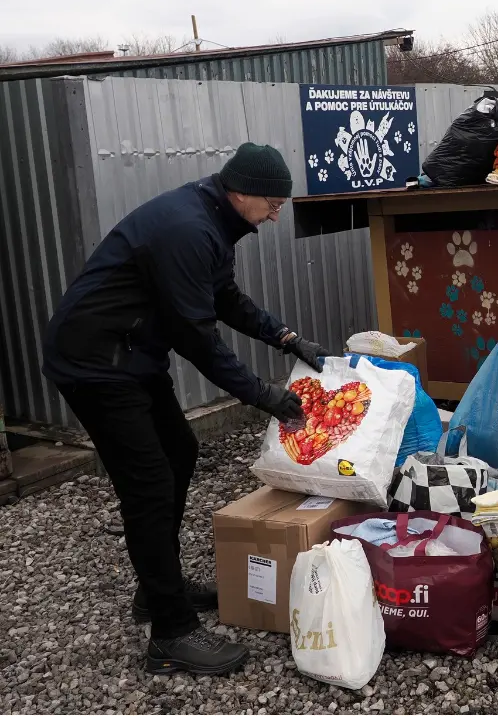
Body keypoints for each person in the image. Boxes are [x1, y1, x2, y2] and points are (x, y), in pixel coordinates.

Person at [42, 142, 334, 675]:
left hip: (130, 354)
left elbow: (225, 300)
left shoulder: (212, 221)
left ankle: (159, 590)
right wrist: (262, 395)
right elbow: (196, 337)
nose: (274, 216)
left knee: (180, 448)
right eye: (272, 204)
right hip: (95, 363)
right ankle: (170, 633)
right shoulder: (187, 229)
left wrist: (287, 338)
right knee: (149, 481)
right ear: (241, 191)